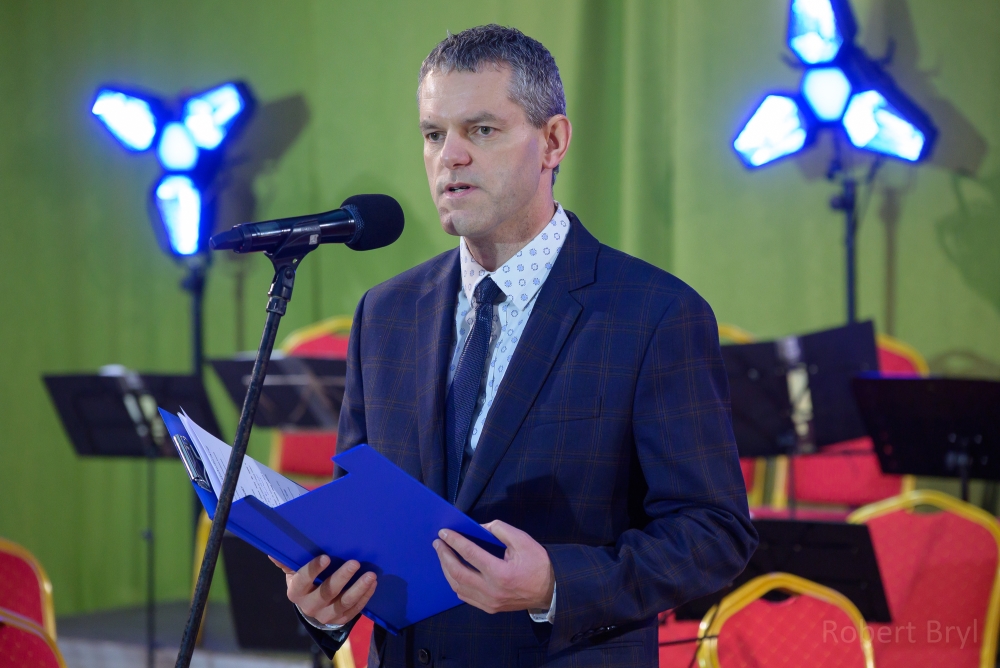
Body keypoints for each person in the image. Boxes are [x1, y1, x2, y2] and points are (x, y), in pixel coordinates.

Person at [270, 24, 757, 667]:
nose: (451, 157)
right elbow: (360, 518)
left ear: (553, 141)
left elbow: (714, 534)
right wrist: (324, 600)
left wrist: (554, 584)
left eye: (481, 130)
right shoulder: (385, 313)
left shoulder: (654, 314)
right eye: (434, 134)